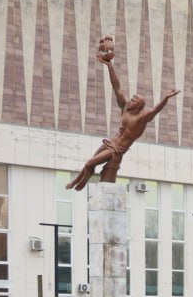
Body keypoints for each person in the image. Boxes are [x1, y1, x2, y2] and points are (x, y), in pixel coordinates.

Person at [67, 36, 179, 191]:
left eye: (134, 100)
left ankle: (81, 182)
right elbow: (116, 86)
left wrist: (165, 99)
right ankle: (78, 181)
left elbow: (155, 111)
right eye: (132, 98)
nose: (131, 100)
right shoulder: (125, 108)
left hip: (117, 150)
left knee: (89, 164)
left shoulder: (141, 118)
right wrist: (109, 66)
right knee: (90, 161)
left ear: (139, 105)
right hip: (110, 142)